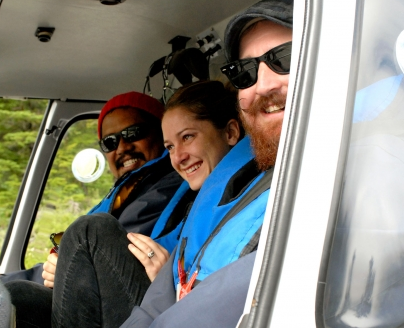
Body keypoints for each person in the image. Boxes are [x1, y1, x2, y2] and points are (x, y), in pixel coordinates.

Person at [6, 80, 244, 328]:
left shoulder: (215, 189)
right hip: (157, 296)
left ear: (230, 132)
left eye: (188, 137)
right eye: (171, 146)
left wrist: (168, 279)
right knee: (18, 297)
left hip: (165, 305)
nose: (179, 157)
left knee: (90, 231)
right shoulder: (199, 190)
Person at [119, 1, 293, 327]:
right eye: (246, 71)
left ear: (230, 132)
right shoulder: (233, 187)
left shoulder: (360, 174)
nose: (264, 84)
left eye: (284, 58)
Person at [1, 91, 183, 286]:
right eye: (109, 142)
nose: (121, 148)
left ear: (162, 133)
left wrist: (66, 269)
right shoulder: (130, 189)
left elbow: (109, 261)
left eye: (133, 133)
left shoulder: (166, 188)